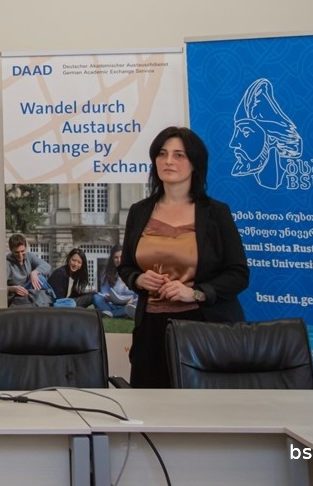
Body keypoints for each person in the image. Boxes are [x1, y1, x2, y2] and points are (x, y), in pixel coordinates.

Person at [119, 126, 249, 388]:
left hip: (204, 328)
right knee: (150, 407)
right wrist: (138, 280)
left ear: (194, 164)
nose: (168, 161)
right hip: (150, 331)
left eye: (179, 155)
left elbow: (238, 274)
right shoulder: (139, 211)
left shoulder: (216, 213)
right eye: (162, 154)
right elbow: (126, 267)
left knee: (203, 408)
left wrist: (196, 293)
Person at [6, 232, 53, 306]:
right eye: (16, 252)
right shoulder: (7, 263)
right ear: (11, 250)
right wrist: (12, 288)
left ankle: (50, 297)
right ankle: (52, 297)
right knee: (41, 280)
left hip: (31, 289)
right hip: (18, 294)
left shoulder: (29, 256)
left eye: (22, 251)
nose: (20, 255)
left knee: (40, 278)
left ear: (26, 247)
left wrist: (34, 272)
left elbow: (47, 266)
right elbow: (0, 287)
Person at [93, 245, 137, 318]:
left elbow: (138, 294)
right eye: (116, 257)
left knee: (137, 306)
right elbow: (104, 291)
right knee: (96, 297)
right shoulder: (106, 272)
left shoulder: (133, 272)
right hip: (112, 303)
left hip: (129, 304)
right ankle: (113, 312)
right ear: (112, 259)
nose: (119, 260)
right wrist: (106, 296)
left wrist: (133, 300)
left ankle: (110, 313)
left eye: (121, 257)